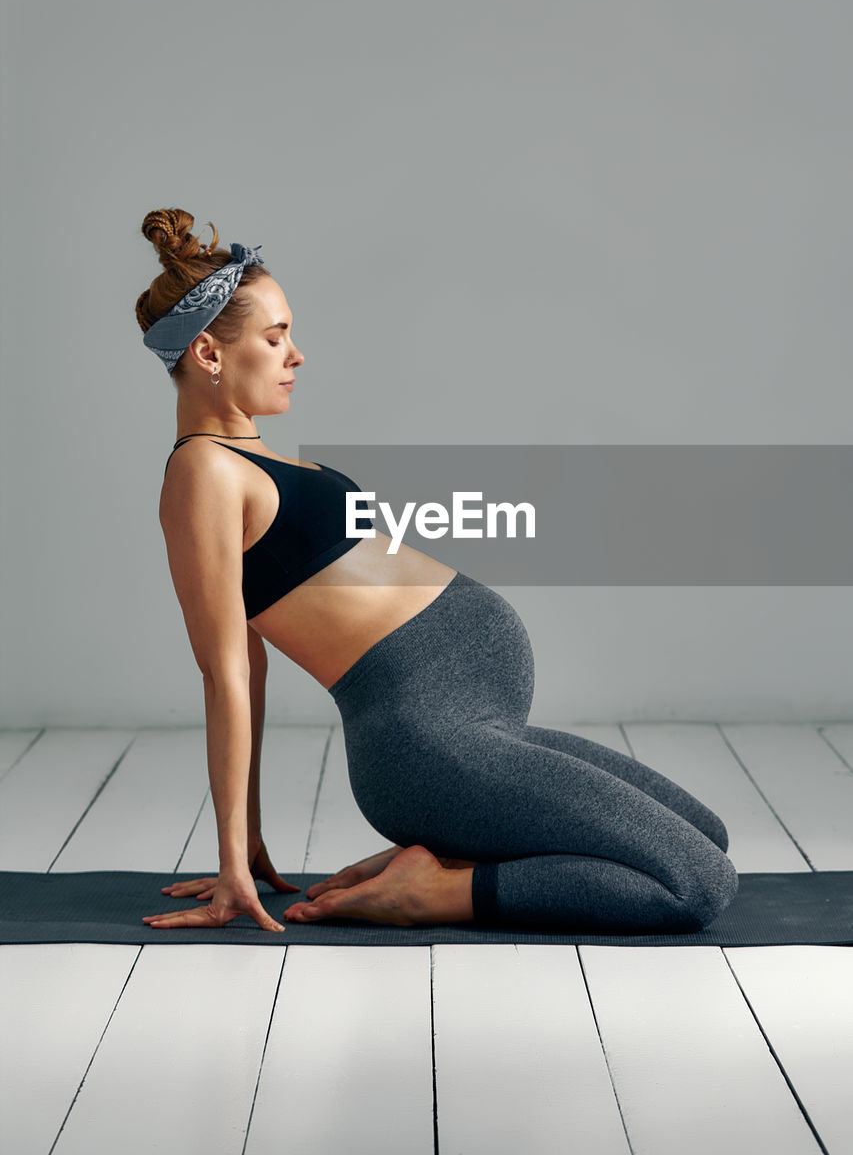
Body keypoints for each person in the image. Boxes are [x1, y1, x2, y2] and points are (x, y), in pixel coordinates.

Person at [135, 208, 739, 936]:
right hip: (428, 744)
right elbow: (231, 669)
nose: (296, 355)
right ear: (207, 354)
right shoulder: (204, 469)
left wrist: (252, 840)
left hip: (478, 725)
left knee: (707, 838)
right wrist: (234, 856)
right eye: (275, 336)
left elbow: (252, 665)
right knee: (695, 886)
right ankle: (430, 893)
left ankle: (428, 866)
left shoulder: (257, 460)